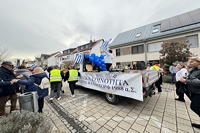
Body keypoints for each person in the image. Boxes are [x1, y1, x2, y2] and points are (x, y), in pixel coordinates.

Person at [179, 57, 200, 129]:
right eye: (190, 61)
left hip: (198, 92)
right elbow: (189, 73)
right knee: (196, 107)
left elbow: (198, 82)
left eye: (193, 61)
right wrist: (188, 66)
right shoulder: (194, 69)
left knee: (194, 106)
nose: (191, 63)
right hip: (194, 92)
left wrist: (186, 81)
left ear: (198, 62)